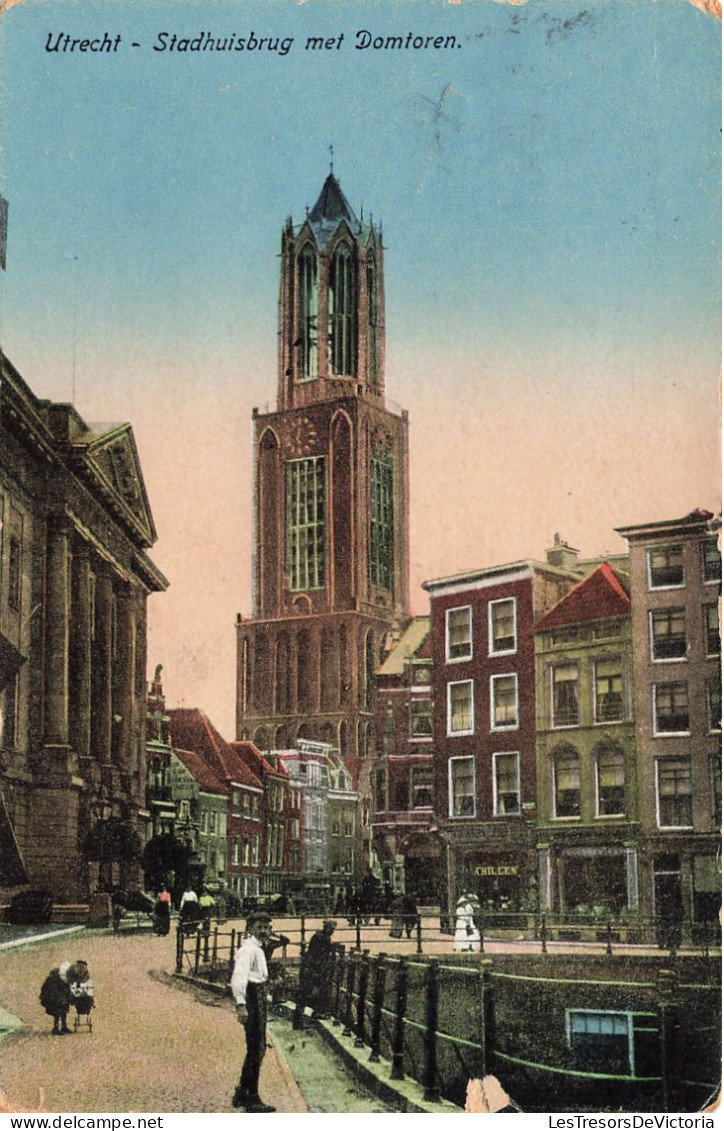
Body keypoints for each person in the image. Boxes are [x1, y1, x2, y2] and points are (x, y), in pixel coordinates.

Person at [230, 912, 276, 1113]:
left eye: (267, 927)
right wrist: (241, 1004)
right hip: (252, 996)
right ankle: (252, 1098)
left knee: (256, 1047)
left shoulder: (257, 948)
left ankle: (242, 1092)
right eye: (260, 927)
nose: (264, 931)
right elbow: (239, 977)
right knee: (256, 1048)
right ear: (250, 928)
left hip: (258, 995)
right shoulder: (248, 950)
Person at [39, 960, 89, 1035]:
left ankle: (64, 1026)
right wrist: (60, 998)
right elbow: (52, 990)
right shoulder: (57, 976)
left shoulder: (69, 976)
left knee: (65, 1006)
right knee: (58, 1008)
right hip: (52, 992)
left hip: (60, 990)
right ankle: (55, 1028)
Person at [300, 919, 336, 1019]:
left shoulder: (324, 937)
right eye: (331, 929)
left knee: (320, 988)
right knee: (314, 989)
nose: (332, 931)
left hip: (320, 965)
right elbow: (315, 953)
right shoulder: (320, 937)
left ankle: (317, 1011)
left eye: (333, 929)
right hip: (315, 966)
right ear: (326, 928)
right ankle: (314, 1012)